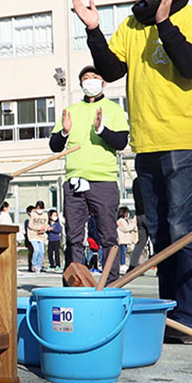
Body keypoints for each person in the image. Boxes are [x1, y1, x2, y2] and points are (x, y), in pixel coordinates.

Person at [73, 0, 192, 339]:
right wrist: (93, 30)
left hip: (186, 140)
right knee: (160, 230)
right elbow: (111, 69)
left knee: (184, 227)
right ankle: (168, 315)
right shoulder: (132, 24)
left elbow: (190, 67)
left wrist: (165, 22)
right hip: (147, 142)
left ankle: (187, 319)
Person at [50, 65, 129, 285]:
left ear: (104, 83)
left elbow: (122, 142)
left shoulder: (113, 110)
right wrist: (65, 131)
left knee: (108, 236)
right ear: (81, 84)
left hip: (103, 180)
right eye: (86, 77)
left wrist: (101, 130)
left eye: (95, 77)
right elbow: (55, 146)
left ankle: (110, 282)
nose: (90, 81)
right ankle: (73, 282)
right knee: (74, 237)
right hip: (74, 182)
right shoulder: (71, 111)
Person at [127, 177, 151, 270]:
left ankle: (132, 266)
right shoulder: (148, 180)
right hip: (149, 214)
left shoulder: (136, 182)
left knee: (141, 242)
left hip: (139, 214)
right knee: (157, 240)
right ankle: (161, 266)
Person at [27, 201, 48, 273]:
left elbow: (46, 224)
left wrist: (43, 229)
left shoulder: (45, 215)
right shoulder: (33, 215)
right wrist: (38, 229)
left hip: (41, 235)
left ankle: (39, 266)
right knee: (36, 250)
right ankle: (34, 264)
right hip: (33, 234)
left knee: (42, 251)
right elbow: (30, 225)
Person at [116, 206, 137, 272]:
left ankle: (124, 263)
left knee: (125, 252)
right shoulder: (120, 221)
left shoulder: (127, 220)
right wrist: (133, 226)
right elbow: (125, 228)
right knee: (122, 252)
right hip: (122, 239)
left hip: (126, 239)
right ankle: (122, 263)